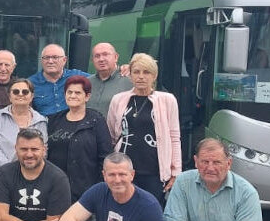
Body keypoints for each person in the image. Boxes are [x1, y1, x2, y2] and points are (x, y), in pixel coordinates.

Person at [106, 53, 181, 207]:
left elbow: (174, 137)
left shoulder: (167, 100)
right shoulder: (118, 99)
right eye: (136, 72)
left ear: (154, 76)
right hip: (124, 169)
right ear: (130, 75)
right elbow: (111, 135)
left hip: (154, 171)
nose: (141, 77)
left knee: (150, 212)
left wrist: (175, 171)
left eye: (146, 72)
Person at [45, 75, 113, 202]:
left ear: (87, 96)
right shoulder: (53, 120)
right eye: (69, 92)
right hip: (56, 187)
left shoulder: (96, 120)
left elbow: (105, 155)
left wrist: (99, 186)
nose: (72, 96)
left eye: (78, 92)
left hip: (86, 188)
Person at [0, 79, 48, 178]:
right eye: (15, 92)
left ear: (31, 96)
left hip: (32, 175)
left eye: (25, 92)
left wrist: (27, 168)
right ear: (10, 96)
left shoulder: (41, 120)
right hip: (2, 175)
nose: (20, 94)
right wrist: (10, 169)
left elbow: (43, 150)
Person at [29, 43, 88, 116]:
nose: (50, 61)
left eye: (55, 57)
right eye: (46, 58)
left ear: (64, 60)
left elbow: (98, 80)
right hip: (45, 126)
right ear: (41, 60)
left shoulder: (78, 76)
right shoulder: (31, 83)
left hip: (74, 125)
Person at [88, 42, 132, 117]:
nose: (101, 59)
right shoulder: (87, 82)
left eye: (105, 54)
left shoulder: (129, 81)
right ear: (92, 60)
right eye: (97, 56)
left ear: (116, 57)